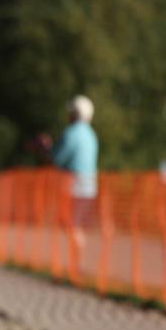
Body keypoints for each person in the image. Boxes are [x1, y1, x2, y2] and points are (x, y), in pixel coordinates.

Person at [52, 94, 99, 249]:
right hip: (90, 187)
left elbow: (58, 159)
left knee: (69, 223)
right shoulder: (92, 134)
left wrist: (47, 150)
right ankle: (77, 254)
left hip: (73, 185)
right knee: (76, 225)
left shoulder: (71, 133)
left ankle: (76, 255)